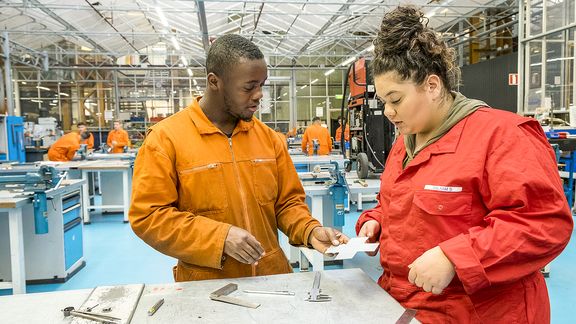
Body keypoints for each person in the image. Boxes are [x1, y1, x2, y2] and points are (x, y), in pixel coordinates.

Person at [355, 6, 573, 323]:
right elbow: (400, 204)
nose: (388, 112)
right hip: (408, 305)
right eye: (384, 102)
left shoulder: (500, 137)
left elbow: (544, 224)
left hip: (479, 313)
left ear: (432, 86)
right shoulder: (406, 142)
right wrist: (376, 222)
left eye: (396, 99)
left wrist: (455, 257)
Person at [129, 34, 347, 282]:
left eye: (262, 85)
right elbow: (149, 216)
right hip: (206, 285)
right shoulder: (166, 139)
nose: (259, 95)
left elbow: (287, 204)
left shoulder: (269, 139)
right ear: (214, 82)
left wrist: (310, 230)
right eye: (248, 87)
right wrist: (219, 238)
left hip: (272, 277)